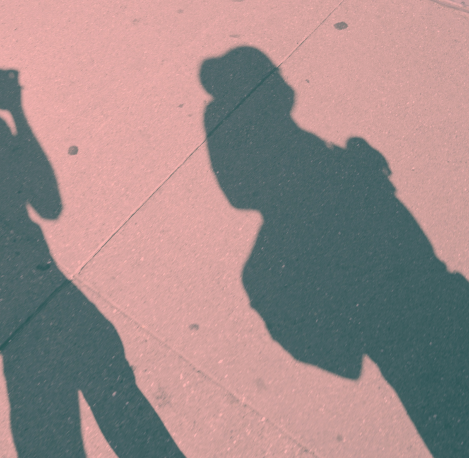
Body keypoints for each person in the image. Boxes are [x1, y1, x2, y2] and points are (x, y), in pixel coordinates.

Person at [0, 9, 185, 458]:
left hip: (11, 299)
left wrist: (4, 108)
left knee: (56, 411)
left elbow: (46, 202)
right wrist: (12, 110)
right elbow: (48, 205)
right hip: (24, 295)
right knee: (85, 389)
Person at [201, 46, 469, 457]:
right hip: (428, 306)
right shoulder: (304, 196)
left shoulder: (280, 230)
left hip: (413, 323)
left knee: (438, 409)